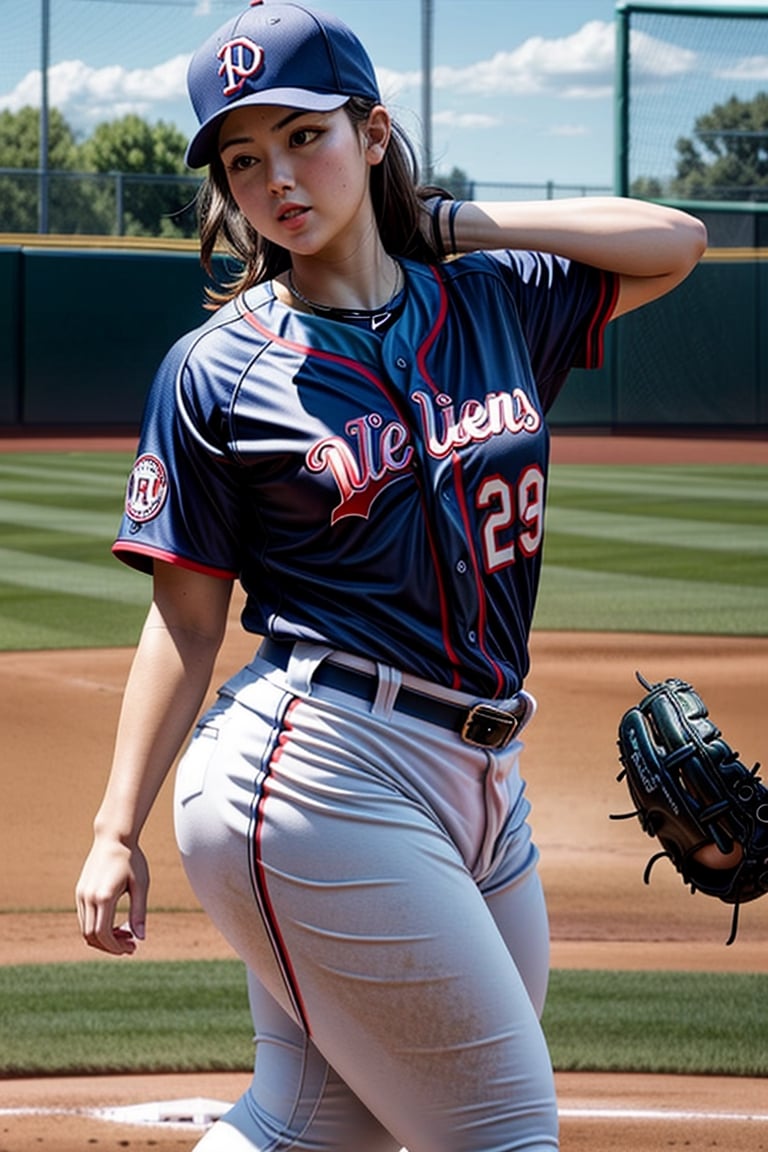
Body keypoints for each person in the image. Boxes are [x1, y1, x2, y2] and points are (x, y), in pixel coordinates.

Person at [75, 2, 707, 1149]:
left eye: (304, 137)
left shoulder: (492, 298)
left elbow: (677, 239)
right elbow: (183, 620)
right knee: (505, 1133)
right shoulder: (217, 370)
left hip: (483, 778)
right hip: (321, 770)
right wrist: (116, 826)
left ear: (372, 133)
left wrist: (450, 221)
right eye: (241, 158)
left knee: (323, 1122)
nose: (276, 179)